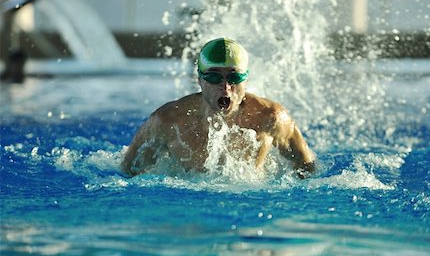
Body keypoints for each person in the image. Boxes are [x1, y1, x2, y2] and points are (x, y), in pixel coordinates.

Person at [121, 37, 315, 178]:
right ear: (200, 80)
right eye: (214, 77)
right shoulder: (168, 121)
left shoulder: (271, 118)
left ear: (246, 80)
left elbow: (308, 171)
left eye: (234, 77)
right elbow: (127, 172)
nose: (225, 86)